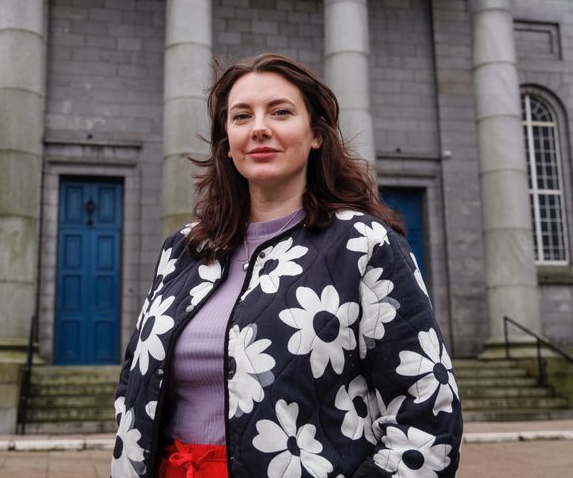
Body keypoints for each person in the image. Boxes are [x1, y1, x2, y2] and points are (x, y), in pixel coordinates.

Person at [111, 53, 462, 478]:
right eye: (242, 116)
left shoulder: (364, 245)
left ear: (315, 134)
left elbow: (427, 412)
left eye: (280, 112)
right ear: (227, 140)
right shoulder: (185, 248)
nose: (259, 127)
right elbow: (135, 388)